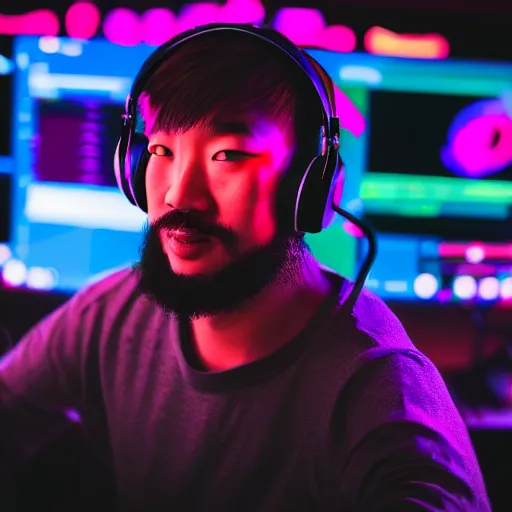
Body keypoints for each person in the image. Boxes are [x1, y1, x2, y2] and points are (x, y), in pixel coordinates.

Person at [0, 24, 491, 511]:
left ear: (312, 187)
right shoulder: (112, 315)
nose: (178, 194)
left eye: (228, 154)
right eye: (160, 150)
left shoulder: (380, 395)